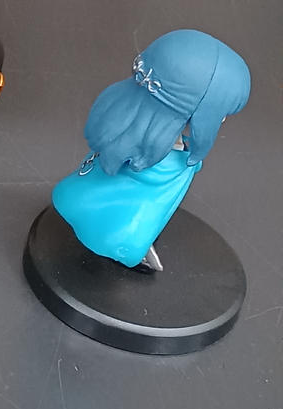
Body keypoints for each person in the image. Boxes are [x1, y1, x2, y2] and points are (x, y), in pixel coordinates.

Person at [51, 30, 250, 270]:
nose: (223, 119)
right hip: (120, 222)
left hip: (90, 194)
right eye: (221, 112)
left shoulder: (133, 131)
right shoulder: (164, 165)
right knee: (123, 225)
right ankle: (119, 245)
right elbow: (149, 206)